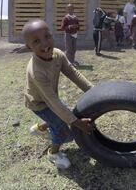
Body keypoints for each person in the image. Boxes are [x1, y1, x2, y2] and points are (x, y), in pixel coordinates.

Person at [23, 19, 93, 170]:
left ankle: (39, 128)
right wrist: (76, 123)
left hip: (49, 99)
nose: (44, 43)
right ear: (29, 47)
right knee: (62, 131)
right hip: (38, 103)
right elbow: (53, 101)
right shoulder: (36, 71)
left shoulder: (58, 55)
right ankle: (53, 153)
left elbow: (73, 73)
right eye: (36, 41)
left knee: (60, 116)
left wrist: (93, 91)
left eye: (47, 36)